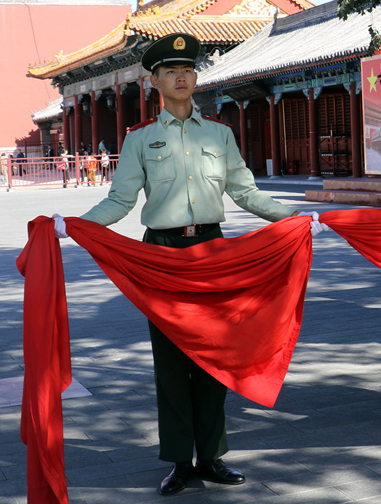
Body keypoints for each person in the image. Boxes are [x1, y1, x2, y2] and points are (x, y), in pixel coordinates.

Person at [52, 33, 328, 496]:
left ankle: (212, 456)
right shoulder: (141, 138)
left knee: (214, 356)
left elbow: (245, 192)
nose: (182, 78)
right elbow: (120, 200)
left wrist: (298, 218)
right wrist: (73, 226)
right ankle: (180, 461)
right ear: (155, 80)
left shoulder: (219, 133)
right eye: (172, 71)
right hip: (162, 257)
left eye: (189, 70)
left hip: (213, 253)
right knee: (171, 362)